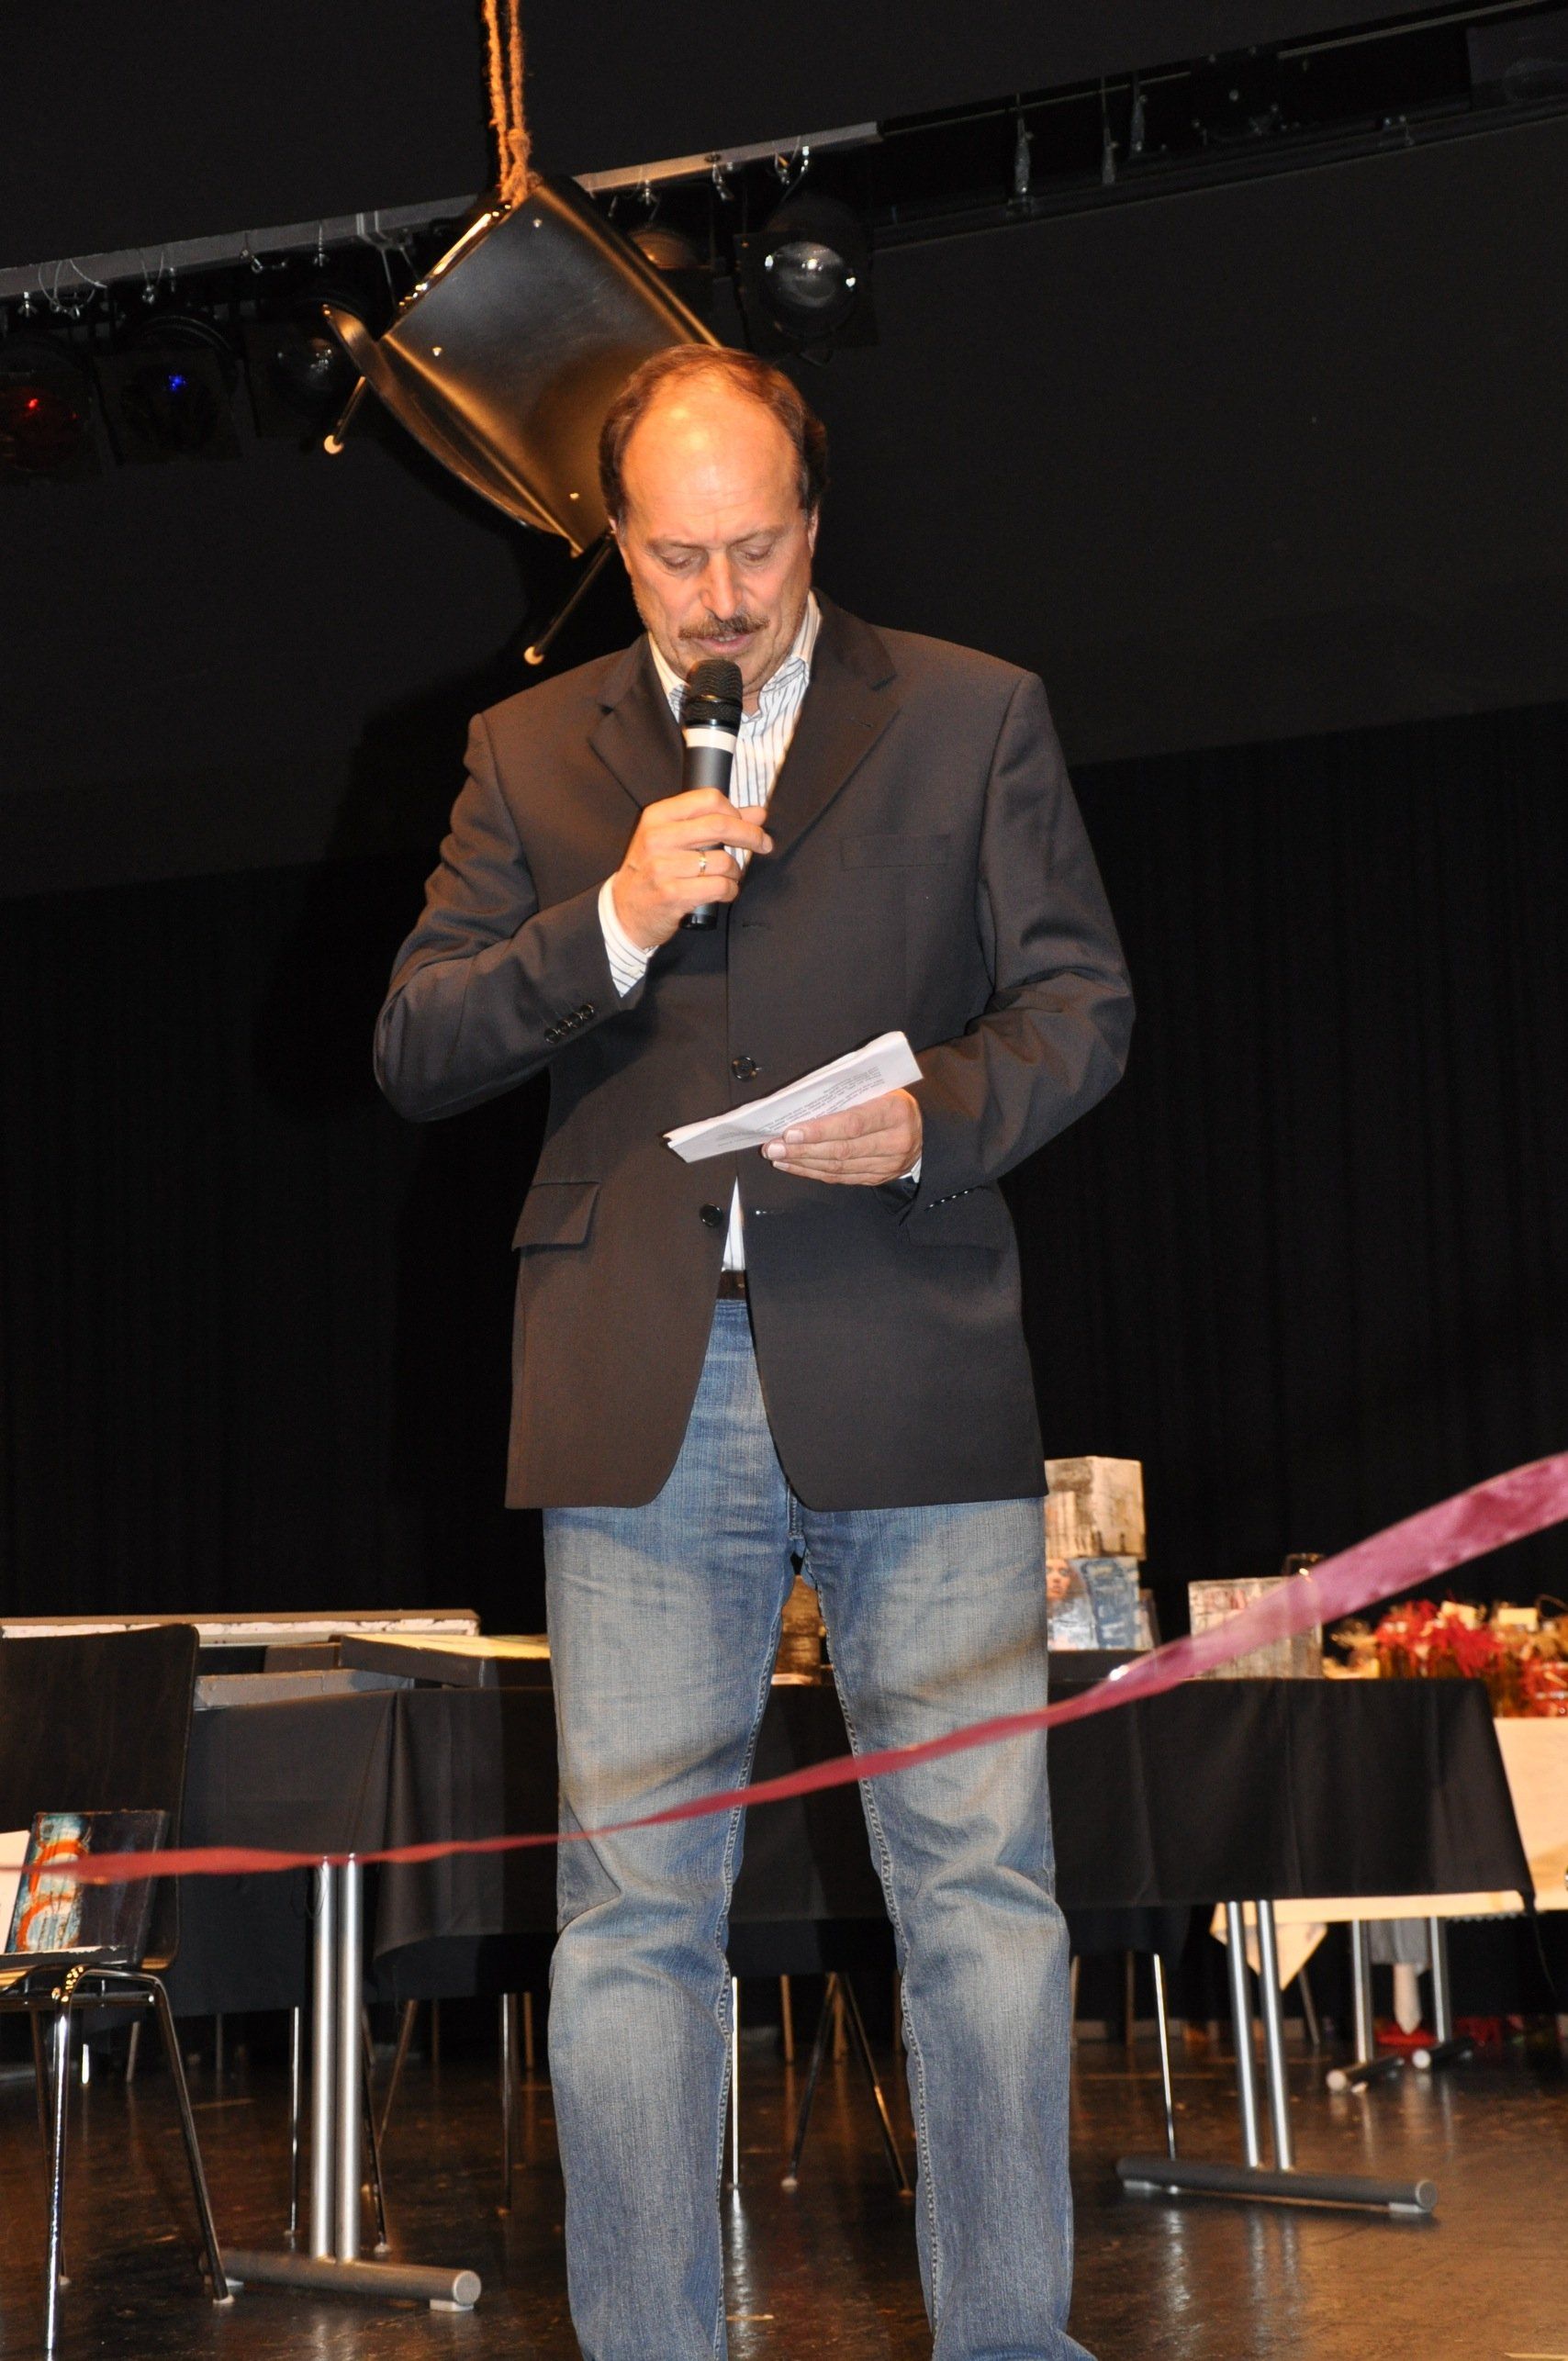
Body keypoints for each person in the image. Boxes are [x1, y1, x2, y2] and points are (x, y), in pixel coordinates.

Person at [375, 344, 1132, 2361]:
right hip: (637, 1387)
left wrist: (935, 1114)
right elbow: (417, 1040)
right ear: (615, 541)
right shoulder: (527, 749)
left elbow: (1079, 1005)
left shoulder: (970, 711)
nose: (719, 598)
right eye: (674, 557)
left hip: (908, 1351)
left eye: (757, 549)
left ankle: (1007, 2337)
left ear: (814, 519)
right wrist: (611, 920)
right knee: (633, 1919)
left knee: (978, 1891)